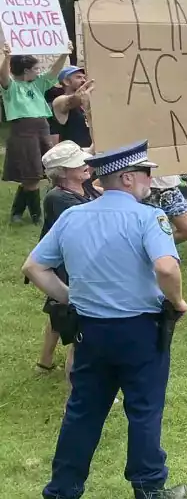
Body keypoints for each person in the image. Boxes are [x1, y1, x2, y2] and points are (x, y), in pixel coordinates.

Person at [22, 140, 187, 499]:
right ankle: (148, 488)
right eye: (146, 173)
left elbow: (34, 267)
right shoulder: (149, 217)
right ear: (128, 178)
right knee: (144, 409)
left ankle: (62, 490)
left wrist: (70, 298)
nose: (150, 180)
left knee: (83, 412)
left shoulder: (72, 215)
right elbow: (165, 266)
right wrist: (177, 300)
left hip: (90, 330)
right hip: (140, 330)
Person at [33, 141, 99, 379]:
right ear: (62, 173)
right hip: (67, 266)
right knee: (76, 322)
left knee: (58, 311)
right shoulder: (58, 198)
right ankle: (80, 383)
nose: (85, 164)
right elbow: (87, 222)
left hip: (71, 263)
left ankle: (45, 362)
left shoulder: (84, 186)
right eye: (77, 162)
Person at [2, 41, 70, 224]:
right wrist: (7, 57)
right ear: (25, 71)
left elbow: (52, 73)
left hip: (42, 128)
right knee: (31, 173)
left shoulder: (37, 84)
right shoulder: (12, 87)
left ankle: (17, 212)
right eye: (35, 69)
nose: (38, 72)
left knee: (37, 172)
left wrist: (64, 54)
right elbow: (3, 77)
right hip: (23, 130)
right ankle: (36, 215)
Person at [46, 65, 92, 148]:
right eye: (78, 77)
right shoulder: (59, 101)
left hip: (89, 153)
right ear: (66, 81)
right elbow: (74, 99)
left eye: (84, 78)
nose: (84, 80)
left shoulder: (86, 102)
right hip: (72, 156)